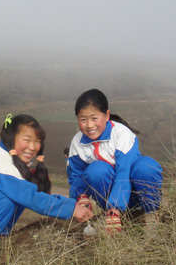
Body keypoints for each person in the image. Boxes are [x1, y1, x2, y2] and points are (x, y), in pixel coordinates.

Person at [0, 114, 94, 262]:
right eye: (27, 140)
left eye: (37, 141)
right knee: (8, 196)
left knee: (19, 191)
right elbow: (31, 197)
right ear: (11, 138)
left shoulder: (5, 155)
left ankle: (0, 234)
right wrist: (71, 208)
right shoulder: (2, 164)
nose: (32, 147)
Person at [67, 89, 163, 233]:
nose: (89, 125)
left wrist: (114, 208)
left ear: (106, 115)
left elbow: (123, 175)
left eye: (94, 118)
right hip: (109, 197)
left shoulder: (122, 134)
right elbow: (75, 175)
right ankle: (109, 215)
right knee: (96, 170)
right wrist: (81, 196)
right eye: (83, 119)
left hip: (135, 194)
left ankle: (150, 213)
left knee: (145, 167)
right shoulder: (77, 142)